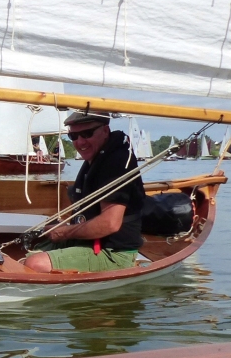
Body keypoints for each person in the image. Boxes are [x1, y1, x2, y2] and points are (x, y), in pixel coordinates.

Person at [25, 111, 144, 273]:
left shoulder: (116, 164)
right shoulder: (98, 157)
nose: (80, 142)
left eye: (87, 134)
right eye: (73, 136)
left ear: (105, 131)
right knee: (30, 248)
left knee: (35, 263)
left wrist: (65, 232)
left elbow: (110, 223)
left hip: (114, 253)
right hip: (89, 242)